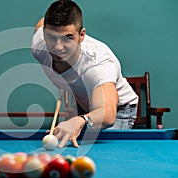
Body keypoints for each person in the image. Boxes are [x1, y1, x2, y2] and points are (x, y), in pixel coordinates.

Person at [31, 0, 138, 148]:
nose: (58, 47)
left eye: (68, 37)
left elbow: (107, 114)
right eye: (51, 37)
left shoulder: (97, 64)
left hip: (117, 108)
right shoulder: (39, 46)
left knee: (101, 153)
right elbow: (41, 23)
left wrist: (79, 120)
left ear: (81, 35)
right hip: (85, 103)